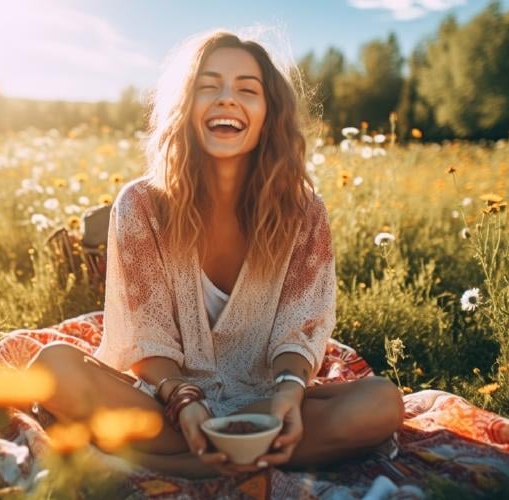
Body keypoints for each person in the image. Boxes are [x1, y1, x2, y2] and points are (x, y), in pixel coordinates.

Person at [32, 29, 404, 478]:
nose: (227, 99)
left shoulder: (304, 211)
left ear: (269, 113)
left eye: (247, 89)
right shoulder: (140, 205)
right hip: (167, 406)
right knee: (52, 367)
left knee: (381, 401)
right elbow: (147, 334)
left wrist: (288, 393)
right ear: (186, 107)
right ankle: (234, 460)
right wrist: (183, 400)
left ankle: (175, 464)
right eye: (208, 86)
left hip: (265, 405)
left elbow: (301, 327)